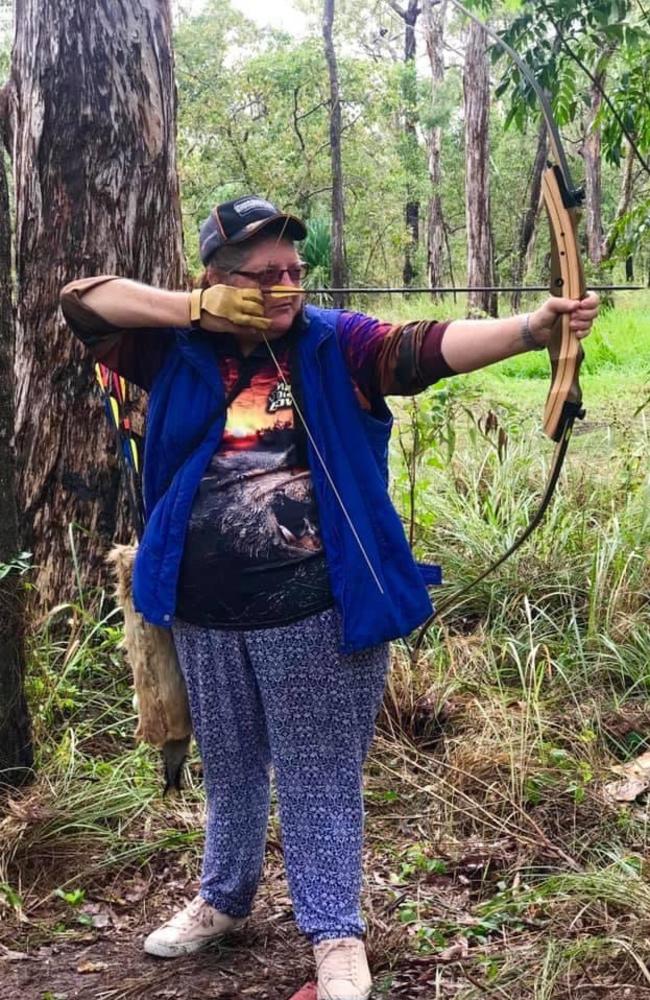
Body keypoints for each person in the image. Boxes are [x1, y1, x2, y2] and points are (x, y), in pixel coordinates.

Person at [60, 194, 599, 1000]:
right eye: (260, 275)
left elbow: (426, 347)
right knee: (232, 767)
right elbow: (82, 299)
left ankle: (334, 931)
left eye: (293, 272)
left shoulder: (336, 344)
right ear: (217, 278)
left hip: (316, 606)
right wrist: (195, 309)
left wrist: (531, 329)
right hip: (204, 606)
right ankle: (224, 898)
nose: (283, 286)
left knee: (317, 773)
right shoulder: (172, 347)